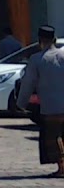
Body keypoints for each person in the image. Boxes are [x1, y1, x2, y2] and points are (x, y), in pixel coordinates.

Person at [18, 25, 64, 177]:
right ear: (55, 39)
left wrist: (21, 103)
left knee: (54, 136)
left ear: (40, 41)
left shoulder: (36, 59)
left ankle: (62, 168)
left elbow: (28, 83)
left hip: (51, 107)